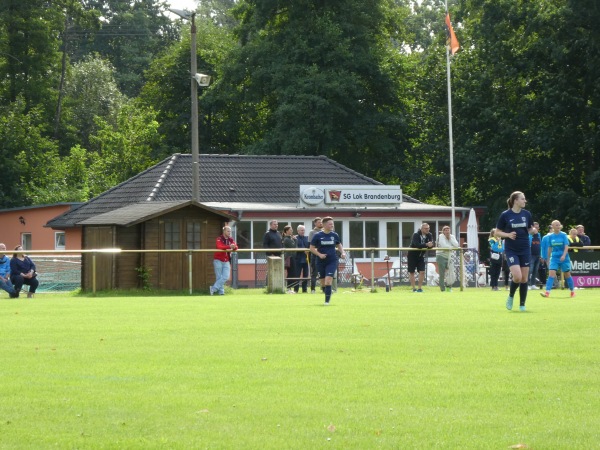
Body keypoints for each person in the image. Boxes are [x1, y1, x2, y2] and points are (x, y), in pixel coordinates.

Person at [494, 191, 537, 311]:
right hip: (511, 249)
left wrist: (533, 230)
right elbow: (497, 232)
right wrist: (507, 234)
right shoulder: (505, 215)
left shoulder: (527, 214)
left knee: (524, 278)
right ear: (515, 201)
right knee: (517, 277)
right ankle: (511, 296)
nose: (525, 201)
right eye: (522, 199)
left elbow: (529, 228)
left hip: (524, 248)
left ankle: (522, 305)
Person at [310, 216, 345, 305]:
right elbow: (311, 248)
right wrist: (319, 254)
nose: (332, 226)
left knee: (328, 280)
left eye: (332, 224)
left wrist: (343, 252)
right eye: (330, 224)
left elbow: (339, 244)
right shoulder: (317, 235)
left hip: (332, 260)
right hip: (320, 261)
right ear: (324, 225)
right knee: (323, 283)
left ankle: (327, 302)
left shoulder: (334, 235)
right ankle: (327, 291)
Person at [541, 220, 575, 298]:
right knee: (551, 274)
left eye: (559, 225)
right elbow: (549, 247)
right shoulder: (550, 236)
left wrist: (563, 255)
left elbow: (566, 246)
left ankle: (572, 291)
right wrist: (548, 258)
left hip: (564, 258)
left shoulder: (563, 235)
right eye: (556, 225)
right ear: (552, 227)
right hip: (555, 258)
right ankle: (547, 292)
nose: (558, 226)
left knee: (567, 274)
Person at [210, 226, 238, 295]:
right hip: (218, 260)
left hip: (226, 260)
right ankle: (221, 292)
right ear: (224, 231)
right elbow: (220, 247)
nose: (229, 232)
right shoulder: (219, 239)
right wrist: (229, 246)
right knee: (219, 277)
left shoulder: (231, 239)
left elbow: (236, 247)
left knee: (226, 277)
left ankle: (213, 288)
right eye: (228, 231)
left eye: (230, 231)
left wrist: (234, 247)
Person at [408, 223, 434, 292]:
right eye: (426, 228)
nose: (427, 230)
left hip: (421, 256)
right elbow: (416, 245)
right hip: (412, 255)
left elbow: (431, 244)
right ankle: (413, 288)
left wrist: (430, 245)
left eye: (428, 228)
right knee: (412, 272)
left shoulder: (429, 235)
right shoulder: (416, 235)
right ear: (421, 229)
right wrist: (426, 244)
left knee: (422, 271)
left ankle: (419, 288)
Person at [436, 225, 458, 292]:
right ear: (443, 231)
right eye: (445, 230)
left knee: (451, 272)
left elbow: (456, 245)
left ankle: (449, 287)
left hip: (449, 256)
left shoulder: (452, 236)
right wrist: (451, 247)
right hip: (441, 256)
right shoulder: (441, 236)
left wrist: (450, 239)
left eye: (448, 230)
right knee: (442, 273)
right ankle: (442, 289)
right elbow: (444, 246)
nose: (447, 231)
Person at [308, 217, 323, 294]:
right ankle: (313, 289)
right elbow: (310, 244)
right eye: (319, 222)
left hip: (323, 254)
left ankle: (324, 288)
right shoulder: (312, 232)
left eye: (321, 222)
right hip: (315, 255)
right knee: (314, 272)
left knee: (323, 272)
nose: (321, 223)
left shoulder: (324, 232)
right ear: (315, 223)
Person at [294, 225, 310, 293]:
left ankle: (304, 289)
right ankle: (296, 289)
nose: (303, 231)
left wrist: (308, 250)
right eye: (301, 230)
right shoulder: (295, 238)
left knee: (305, 275)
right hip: (298, 259)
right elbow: (295, 247)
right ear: (298, 231)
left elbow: (309, 246)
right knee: (297, 275)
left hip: (306, 259)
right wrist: (303, 250)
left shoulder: (307, 238)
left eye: (304, 230)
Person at [282, 225, 297, 294]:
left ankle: (290, 287)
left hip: (293, 257)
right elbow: (293, 247)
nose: (292, 231)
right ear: (286, 231)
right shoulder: (286, 239)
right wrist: (295, 240)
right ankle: (288, 288)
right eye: (290, 230)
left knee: (293, 273)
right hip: (289, 257)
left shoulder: (290, 238)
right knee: (290, 273)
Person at [528, 222, 542, 289]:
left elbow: (540, 245)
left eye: (537, 228)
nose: (536, 229)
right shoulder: (529, 235)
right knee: (529, 270)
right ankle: (526, 284)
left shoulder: (539, 235)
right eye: (535, 227)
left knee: (535, 270)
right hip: (531, 255)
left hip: (537, 254)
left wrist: (541, 255)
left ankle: (533, 284)